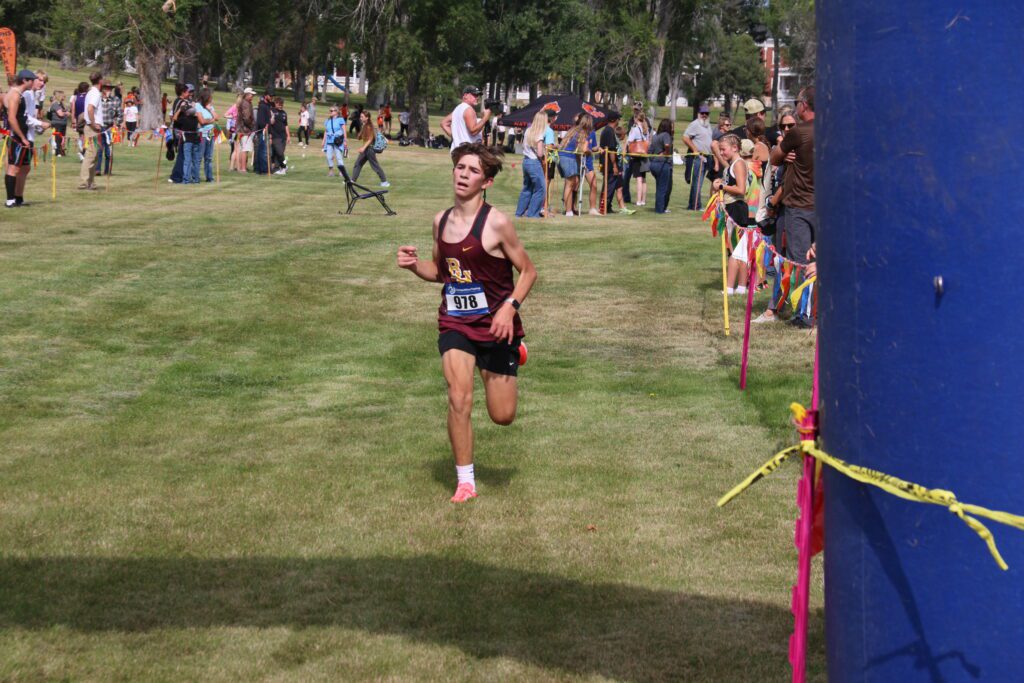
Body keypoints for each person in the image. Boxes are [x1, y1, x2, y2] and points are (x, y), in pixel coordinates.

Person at [395, 142, 537, 503]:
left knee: (502, 415)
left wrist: (509, 308)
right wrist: (413, 267)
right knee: (458, 396)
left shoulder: (497, 223)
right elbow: (441, 272)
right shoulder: (440, 222)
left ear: (486, 182)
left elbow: (528, 271)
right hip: (455, 322)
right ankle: (465, 482)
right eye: (460, 167)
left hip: (496, 326)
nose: (463, 174)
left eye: (473, 171)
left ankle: (517, 350)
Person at [771, 87, 816, 328]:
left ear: (804, 105)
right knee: (820, 260)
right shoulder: (833, 129)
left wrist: (784, 153)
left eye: (798, 101)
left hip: (799, 206)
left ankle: (804, 315)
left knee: (800, 260)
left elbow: (774, 158)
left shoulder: (798, 132)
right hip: (826, 206)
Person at [712, 134, 750, 294]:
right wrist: (721, 183)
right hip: (731, 207)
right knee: (739, 249)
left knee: (735, 249)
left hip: (736, 208)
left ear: (735, 148)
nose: (721, 153)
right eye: (719, 150)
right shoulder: (732, 165)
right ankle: (741, 287)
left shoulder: (739, 164)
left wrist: (721, 186)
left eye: (723, 149)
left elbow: (741, 189)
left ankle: (730, 287)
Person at [4, 70, 48, 208]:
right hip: (18, 136)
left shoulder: (25, 94)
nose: (40, 83)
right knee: (13, 168)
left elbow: (24, 116)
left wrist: (37, 127)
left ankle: (18, 198)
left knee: (24, 168)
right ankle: (10, 200)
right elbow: (14, 118)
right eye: (36, 79)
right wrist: (39, 124)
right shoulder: (20, 94)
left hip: (26, 135)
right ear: (25, 80)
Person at [515, 111, 548, 218]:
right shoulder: (539, 134)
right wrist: (543, 152)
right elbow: (540, 153)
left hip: (526, 161)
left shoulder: (528, 130)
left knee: (527, 188)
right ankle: (532, 213)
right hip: (534, 162)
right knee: (540, 188)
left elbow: (524, 145)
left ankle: (519, 212)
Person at [557, 115, 592, 216]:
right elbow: (584, 150)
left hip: (562, 156)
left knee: (574, 182)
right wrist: (589, 151)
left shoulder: (573, 130)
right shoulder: (583, 132)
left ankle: (569, 208)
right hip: (569, 158)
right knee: (570, 184)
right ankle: (568, 211)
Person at [441, 85, 491, 153]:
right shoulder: (468, 109)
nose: (477, 98)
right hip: (467, 151)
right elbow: (473, 131)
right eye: (474, 95)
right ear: (465, 95)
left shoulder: (458, 108)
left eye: (478, 95)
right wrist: (485, 118)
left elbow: (444, 123)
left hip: (456, 150)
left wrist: (456, 137)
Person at [682, 104, 713, 210]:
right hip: (698, 158)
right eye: (702, 113)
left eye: (706, 113)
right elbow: (685, 138)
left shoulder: (707, 125)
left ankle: (692, 205)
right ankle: (696, 206)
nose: (704, 115)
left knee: (698, 183)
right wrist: (695, 150)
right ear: (698, 113)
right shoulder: (695, 124)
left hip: (707, 157)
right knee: (697, 183)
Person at [78, 71, 105, 191]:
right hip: (92, 128)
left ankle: (91, 182)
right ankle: (84, 182)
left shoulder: (90, 92)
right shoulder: (95, 93)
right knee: (91, 155)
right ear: (100, 81)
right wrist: (93, 124)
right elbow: (90, 109)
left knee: (94, 155)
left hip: (91, 128)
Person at [351, 109, 389, 187]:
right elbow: (360, 137)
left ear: (367, 117)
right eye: (360, 116)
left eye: (362, 117)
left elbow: (370, 139)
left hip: (369, 149)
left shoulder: (368, 126)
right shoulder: (364, 125)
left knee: (375, 166)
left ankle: (384, 182)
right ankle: (352, 181)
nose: (360, 118)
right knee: (358, 164)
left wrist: (363, 148)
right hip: (367, 149)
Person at [648, 118, 674, 214]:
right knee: (664, 188)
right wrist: (665, 153)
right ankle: (660, 209)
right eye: (671, 126)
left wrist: (653, 159)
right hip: (663, 164)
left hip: (654, 164)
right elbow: (667, 145)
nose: (672, 128)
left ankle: (660, 207)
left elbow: (649, 151)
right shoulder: (666, 135)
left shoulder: (655, 136)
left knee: (660, 187)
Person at [94, 80, 120, 177]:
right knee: (99, 150)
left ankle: (107, 170)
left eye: (110, 89)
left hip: (110, 128)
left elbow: (120, 115)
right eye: (107, 88)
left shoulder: (115, 100)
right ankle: (97, 170)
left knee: (109, 152)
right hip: (99, 128)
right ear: (102, 89)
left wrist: (116, 124)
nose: (109, 90)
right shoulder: (97, 99)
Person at [625, 110, 651, 206]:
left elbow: (629, 140)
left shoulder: (635, 129)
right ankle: (643, 200)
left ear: (636, 119)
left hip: (637, 155)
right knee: (643, 179)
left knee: (639, 179)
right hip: (644, 155)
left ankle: (638, 201)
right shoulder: (646, 129)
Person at [194, 87, 218, 182]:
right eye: (210, 96)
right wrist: (211, 120)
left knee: (209, 157)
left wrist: (210, 110)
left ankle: (209, 177)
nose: (211, 98)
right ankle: (196, 177)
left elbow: (217, 117)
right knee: (199, 156)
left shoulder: (210, 106)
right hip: (202, 133)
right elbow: (202, 121)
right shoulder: (198, 105)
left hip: (211, 132)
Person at [233, 87, 256, 172]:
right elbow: (246, 118)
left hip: (241, 130)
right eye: (251, 94)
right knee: (245, 149)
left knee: (241, 148)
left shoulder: (244, 102)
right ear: (247, 95)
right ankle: (243, 168)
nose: (252, 96)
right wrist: (252, 126)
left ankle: (240, 167)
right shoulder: (246, 104)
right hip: (245, 130)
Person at [322, 105, 347, 176]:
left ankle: (341, 171)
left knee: (339, 157)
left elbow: (344, 130)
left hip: (337, 140)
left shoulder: (340, 120)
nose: (330, 112)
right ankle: (331, 171)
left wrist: (345, 140)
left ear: (336, 112)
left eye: (332, 111)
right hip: (329, 141)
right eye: (330, 111)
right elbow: (326, 131)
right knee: (329, 157)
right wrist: (323, 140)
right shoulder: (327, 121)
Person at [253, 93, 274, 175]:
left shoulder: (267, 106)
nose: (271, 97)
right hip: (263, 131)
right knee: (264, 151)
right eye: (270, 96)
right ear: (266, 96)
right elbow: (261, 121)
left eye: (272, 96)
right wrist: (265, 128)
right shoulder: (262, 106)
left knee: (262, 151)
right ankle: (264, 170)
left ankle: (259, 169)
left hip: (266, 131)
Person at [269, 96, 290, 175]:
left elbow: (286, 125)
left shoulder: (284, 113)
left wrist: (288, 136)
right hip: (275, 136)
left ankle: (277, 169)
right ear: (275, 103)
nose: (281, 105)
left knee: (279, 154)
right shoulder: (272, 111)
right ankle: (284, 166)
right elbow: (269, 123)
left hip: (283, 136)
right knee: (280, 152)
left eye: (282, 104)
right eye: (279, 104)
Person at [48, 91, 69, 157]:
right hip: (57, 124)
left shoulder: (62, 104)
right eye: (63, 96)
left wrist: (66, 112)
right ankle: (57, 152)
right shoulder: (55, 104)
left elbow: (66, 112)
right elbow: (60, 114)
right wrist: (66, 113)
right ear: (59, 96)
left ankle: (61, 151)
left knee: (62, 138)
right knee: (58, 138)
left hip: (63, 124)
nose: (64, 97)